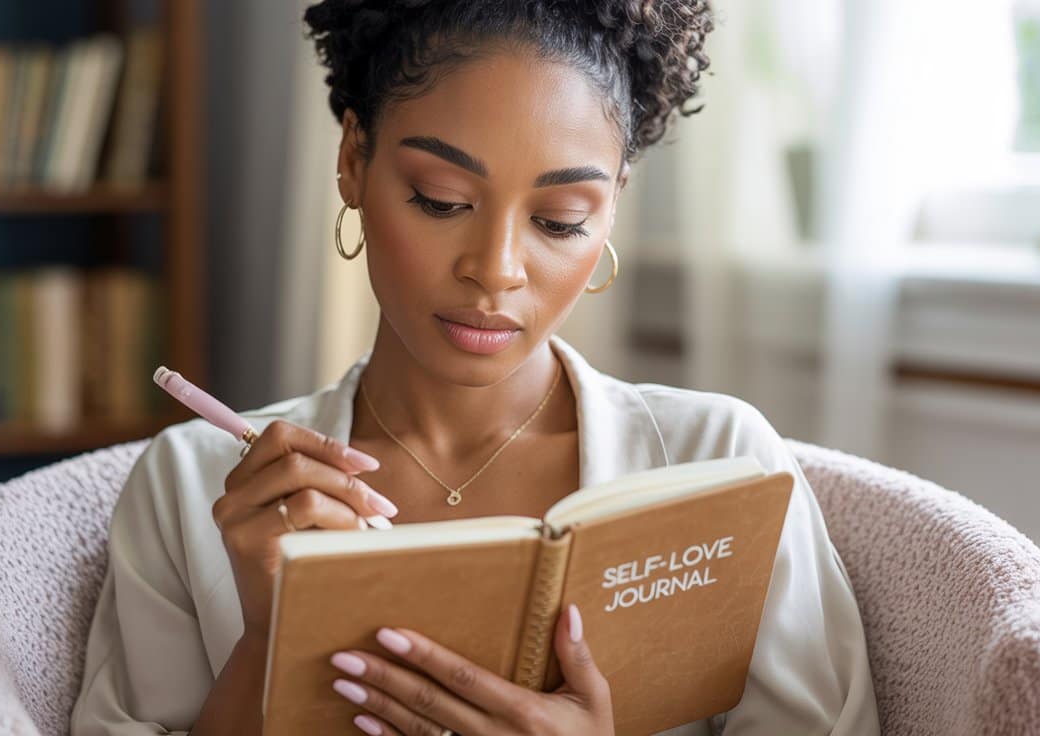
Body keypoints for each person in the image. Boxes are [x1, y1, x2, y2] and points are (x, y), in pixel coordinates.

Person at [70, 2, 880, 734]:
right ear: (354, 159)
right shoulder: (196, 484)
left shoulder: (720, 466)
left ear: (613, 205)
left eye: (560, 221)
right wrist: (267, 645)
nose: (496, 270)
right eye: (441, 199)